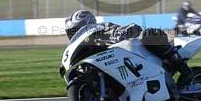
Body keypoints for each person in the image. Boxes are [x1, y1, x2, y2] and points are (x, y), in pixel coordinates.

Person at [64, 10, 192, 82]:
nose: (73, 34)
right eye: (71, 32)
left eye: (75, 30)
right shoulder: (86, 51)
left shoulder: (100, 29)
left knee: (150, 34)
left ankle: (182, 67)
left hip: (134, 56)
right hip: (116, 68)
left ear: (87, 23)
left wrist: (123, 32)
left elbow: (117, 29)